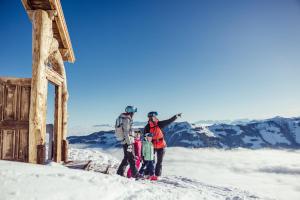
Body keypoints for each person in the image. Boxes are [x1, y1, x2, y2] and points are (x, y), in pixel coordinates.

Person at [144, 111, 182, 176]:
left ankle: (148, 174)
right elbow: (169, 121)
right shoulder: (159, 124)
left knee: (150, 161)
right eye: (153, 117)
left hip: (153, 146)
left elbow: (145, 137)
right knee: (159, 162)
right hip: (161, 145)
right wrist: (176, 116)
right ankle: (157, 175)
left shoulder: (147, 126)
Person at [115, 106, 142, 178]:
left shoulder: (122, 118)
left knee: (126, 158)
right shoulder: (127, 119)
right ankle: (135, 174)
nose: (134, 114)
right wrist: (130, 144)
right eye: (133, 112)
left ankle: (119, 173)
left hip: (125, 141)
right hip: (128, 142)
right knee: (132, 158)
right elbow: (127, 132)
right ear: (131, 112)